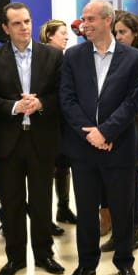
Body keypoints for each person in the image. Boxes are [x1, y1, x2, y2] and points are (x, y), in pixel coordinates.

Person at [59, 0, 138, 275]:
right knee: (86, 210)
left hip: (119, 146)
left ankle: (125, 262)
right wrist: (91, 134)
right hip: (83, 149)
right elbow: (67, 99)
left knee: (122, 209)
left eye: (91, 19)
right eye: (84, 19)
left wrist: (106, 132)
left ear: (108, 21)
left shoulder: (133, 58)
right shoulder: (73, 56)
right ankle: (86, 264)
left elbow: (132, 102)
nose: (85, 25)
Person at [0, 2, 66, 275]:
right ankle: (16, 258)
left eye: (27, 21)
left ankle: (44, 254)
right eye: (17, 23)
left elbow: (62, 94)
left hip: (42, 140)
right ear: (6, 28)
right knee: (12, 203)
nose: (24, 27)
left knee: (42, 201)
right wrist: (14, 106)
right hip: (7, 142)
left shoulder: (53, 56)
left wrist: (41, 103)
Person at [107, 10, 138, 252]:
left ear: (135, 33)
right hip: (117, 131)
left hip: (135, 131)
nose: (119, 37)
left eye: (123, 32)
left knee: (133, 183)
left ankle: (133, 232)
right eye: (116, 32)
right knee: (120, 187)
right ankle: (121, 233)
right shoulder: (115, 57)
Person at [41, 19, 75, 233]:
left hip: (64, 123)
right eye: (62, 33)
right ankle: (44, 219)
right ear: (50, 35)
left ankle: (63, 209)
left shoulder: (65, 58)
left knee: (63, 167)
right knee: (47, 171)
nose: (67, 36)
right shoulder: (43, 59)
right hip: (47, 122)